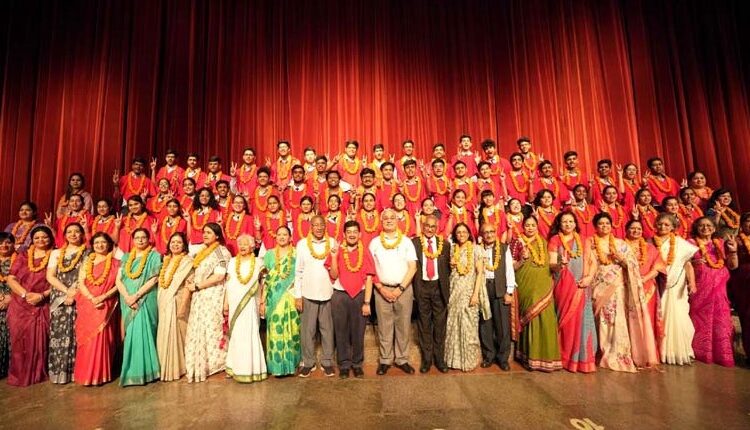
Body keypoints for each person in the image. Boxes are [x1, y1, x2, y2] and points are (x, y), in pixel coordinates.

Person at [587, 213, 657, 372]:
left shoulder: (621, 245)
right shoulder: (590, 243)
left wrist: (620, 258)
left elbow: (633, 267)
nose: (604, 226)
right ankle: (602, 351)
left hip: (617, 287)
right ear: (595, 226)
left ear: (612, 226)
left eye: (607, 224)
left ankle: (618, 353)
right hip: (598, 287)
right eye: (601, 224)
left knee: (616, 319)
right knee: (603, 320)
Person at [369, 209, 418, 375]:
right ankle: (385, 359)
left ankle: (402, 359)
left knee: (403, 326)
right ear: (381, 221)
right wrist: (381, 289)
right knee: (384, 326)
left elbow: (413, 267)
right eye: (386, 218)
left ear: (398, 221)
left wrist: (400, 289)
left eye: (392, 218)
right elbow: (371, 269)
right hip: (381, 289)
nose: (389, 220)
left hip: (403, 289)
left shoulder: (406, 242)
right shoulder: (375, 242)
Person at [5, 226, 54, 386]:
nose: (41, 240)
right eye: (37, 237)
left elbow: (60, 280)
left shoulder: (55, 255)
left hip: (43, 303)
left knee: (40, 340)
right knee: (19, 340)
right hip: (20, 303)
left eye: (44, 237)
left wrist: (42, 295)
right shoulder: (23, 256)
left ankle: (38, 373)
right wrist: (26, 295)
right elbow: (11, 279)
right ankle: (19, 374)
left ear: (50, 238)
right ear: (32, 240)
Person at [510, 216, 561, 372]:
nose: (530, 228)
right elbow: (512, 267)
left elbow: (551, 266)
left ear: (537, 226)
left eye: (533, 225)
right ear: (523, 227)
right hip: (525, 284)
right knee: (529, 318)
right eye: (527, 225)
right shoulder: (517, 242)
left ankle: (547, 358)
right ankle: (529, 356)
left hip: (543, 283)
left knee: (546, 317)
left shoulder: (544, 243)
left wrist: (560, 264)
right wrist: (522, 260)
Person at [548, 213, 597, 373]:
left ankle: (582, 360)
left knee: (583, 321)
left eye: (571, 221)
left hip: (583, 285)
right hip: (564, 284)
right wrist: (560, 265)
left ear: (576, 223)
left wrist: (589, 278)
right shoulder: (555, 240)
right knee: (566, 321)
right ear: (559, 224)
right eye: (564, 222)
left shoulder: (585, 240)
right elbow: (551, 264)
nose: (568, 224)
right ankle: (564, 357)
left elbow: (592, 262)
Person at [326, 221, 375, 378]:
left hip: (360, 295)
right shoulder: (337, 251)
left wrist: (367, 302)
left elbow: (369, 278)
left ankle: (357, 363)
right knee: (340, 331)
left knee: (358, 331)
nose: (352, 234)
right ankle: (344, 365)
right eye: (349, 231)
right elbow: (333, 275)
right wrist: (334, 257)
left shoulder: (365, 252)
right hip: (340, 295)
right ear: (344, 234)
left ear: (360, 234)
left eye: (355, 231)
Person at [184, 223, 231, 383]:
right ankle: (201, 362)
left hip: (213, 294)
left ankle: (218, 363)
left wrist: (197, 285)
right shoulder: (202, 251)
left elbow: (219, 276)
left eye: (209, 232)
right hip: (199, 295)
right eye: (204, 232)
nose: (205, 235)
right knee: (200, 327)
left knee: (212, 327)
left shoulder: (221, 252)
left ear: (217, 235)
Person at [688, 217, 737, 366]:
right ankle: (700, 353)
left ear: (714, 228)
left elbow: (733, 266)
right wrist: (693, 263)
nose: (705, 228)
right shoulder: (690, 244)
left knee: (720, 320)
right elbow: (683, 263)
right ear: (696, 228)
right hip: (699, 288)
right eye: (701, 225)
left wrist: (733, 250)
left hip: (719, 290)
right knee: (699, 319)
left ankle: (721, 354)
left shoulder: (721, 244)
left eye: (708, 225)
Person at [74, 232, 121, 386]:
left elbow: (118, 285)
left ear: (109, 245)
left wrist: (103, 297)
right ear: (92, 245)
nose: (100, 245)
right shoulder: (87, 262)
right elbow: (80, 282)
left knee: (102, 339)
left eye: (103, 242)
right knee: (86, 339)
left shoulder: (116, 263)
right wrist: (91, 298)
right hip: (87, 303)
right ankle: (84, 375)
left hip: (105, 303)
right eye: (97, 243)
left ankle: (100, 375)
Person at [116, 228, 162, 386]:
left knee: (144, 332)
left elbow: (154, 279)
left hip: (145, 299)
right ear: (132, 240)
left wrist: (136, 296)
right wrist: (128, 297)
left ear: (149, 239)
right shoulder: (127, 257)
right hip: (127, 300)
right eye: (137, 238)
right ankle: (131, 371)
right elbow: (118, 280)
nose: (141, 240)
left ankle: (148, 371)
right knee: (131, 335)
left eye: (144, 237)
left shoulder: (154, 256)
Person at [45, 222, 89, 384]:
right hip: (59, 297)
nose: (73, 234)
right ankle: (59, 372)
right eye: (69, 232)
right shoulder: (56, 253)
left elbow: (85, 276)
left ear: (82, 234)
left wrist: (75, 292)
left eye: (77, 231)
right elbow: (50, 276)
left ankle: (76, 371)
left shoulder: (88, 253)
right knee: (59, 333)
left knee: (77, 332)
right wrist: (66, 291)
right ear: (64, 235)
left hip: (80, 296)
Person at [294, 216, 336, 377]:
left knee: (327, 330)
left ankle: (327, 362)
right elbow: (298, 271)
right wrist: (298, 295)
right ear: (310, 227)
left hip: (328, 292)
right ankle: (308, 362)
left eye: (321, 225)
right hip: (308, 293)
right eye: (315, 225)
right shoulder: (302, 244)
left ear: (325, 227)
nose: (318, 228)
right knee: (307, 331)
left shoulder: (332, 243)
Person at [653, 212, 698, 365]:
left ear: (673, 227)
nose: (662, 227)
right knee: (662, 316)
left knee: (680, 316)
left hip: (677, 283)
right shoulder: (650, 242)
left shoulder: (681, 244)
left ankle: (681, 351)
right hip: (658, 283)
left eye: (666, 224)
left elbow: (688, 265)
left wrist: (692, 283)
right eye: (660, 224)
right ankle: (662, 352)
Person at [445, 223, 489, 371]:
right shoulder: (452, 249)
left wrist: (475, 294)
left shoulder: (476, 249)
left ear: (469, 234)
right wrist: (451, 265)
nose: (461, 234)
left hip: (470, 292)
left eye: (464, 232)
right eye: (458, 232)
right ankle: (454, 361)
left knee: (469, 326)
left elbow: (480, 273)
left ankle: (468, 361)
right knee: (454, 324)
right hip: (454, 291)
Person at [225, 235, 267, 382]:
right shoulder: (231, 262)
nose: (242, 246)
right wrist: (225, 303)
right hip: (234, 302)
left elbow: (263, 284)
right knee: (236, 335)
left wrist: (262, 302)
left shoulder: (258, 262)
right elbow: (228, 284)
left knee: (250, 333)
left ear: (252, 246)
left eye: (245, 244)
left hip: (250, 303)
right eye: (240, 244)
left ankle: (252, 369)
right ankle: (234, 367)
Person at [412, 215, 451, 373]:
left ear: (437, 228)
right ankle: (427, 360)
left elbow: (448, 267)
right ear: (422, 226)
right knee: (424, 325)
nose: (429, 229)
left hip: (438, 288)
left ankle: (439, 359)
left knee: (440, 326)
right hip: (422, 287)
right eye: (427, 226)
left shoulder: (445, 245)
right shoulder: (415, 243)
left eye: (433, 227)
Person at [260, 226, 301, 376]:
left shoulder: (297, 253)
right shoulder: (269, 255)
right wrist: (263, 301)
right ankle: (277, 367)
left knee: (293, 329)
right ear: (275, 237)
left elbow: (300, 276)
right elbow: (266, 279)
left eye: (285, 234)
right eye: (279, 234)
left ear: (291, 237)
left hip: (291, 295)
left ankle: (292, 365)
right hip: (273, 297)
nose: (282, 237)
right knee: (276, 330)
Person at [156, 232, 194, 382]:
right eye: (173, 242)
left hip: (178, 300)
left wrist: (183, 305)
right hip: (164, 301)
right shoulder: (165, 260)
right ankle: (164, 366)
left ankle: (178, 368)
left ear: (184, 245)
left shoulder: (187, 262)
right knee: (164, 332)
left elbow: (188, 285)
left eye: (179, 242)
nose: (175, 245)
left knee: (178, 333)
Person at [478, 223, 516, 371]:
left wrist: (510, 291)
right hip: (483, 288)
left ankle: (503, 358)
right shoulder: (478, 248)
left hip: (500, 288)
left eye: (491, 231)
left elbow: (509, 271)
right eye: (485, 232)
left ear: (496, 233)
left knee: (502, 327)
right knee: (485, 324)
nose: (489, 234)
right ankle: (489, 356)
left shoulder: (504, 248)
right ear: (481, 234)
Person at [625, 220, 665, 344]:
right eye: (632, 228)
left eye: (639, 229)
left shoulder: (650, 248)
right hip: (626, 286)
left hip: (647, 287)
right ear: (626, 230)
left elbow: (658, 268)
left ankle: (647, 348)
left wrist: (644, 279)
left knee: (646, 317)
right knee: (629, 318)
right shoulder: (621, 246)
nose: (636, 231)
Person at [729, 212, 750, 362]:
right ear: (742, 224)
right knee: (748, 317)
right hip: (744, 281)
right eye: (748, 221)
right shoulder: (736, 240)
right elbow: (733, 266)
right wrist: (733, 251)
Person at [0, 232, 15, 378]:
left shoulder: (19, 261)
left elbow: (25, 281)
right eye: (1, 242)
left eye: (8, 242)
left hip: (13, 301)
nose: (4, 245)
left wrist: (10, 298)